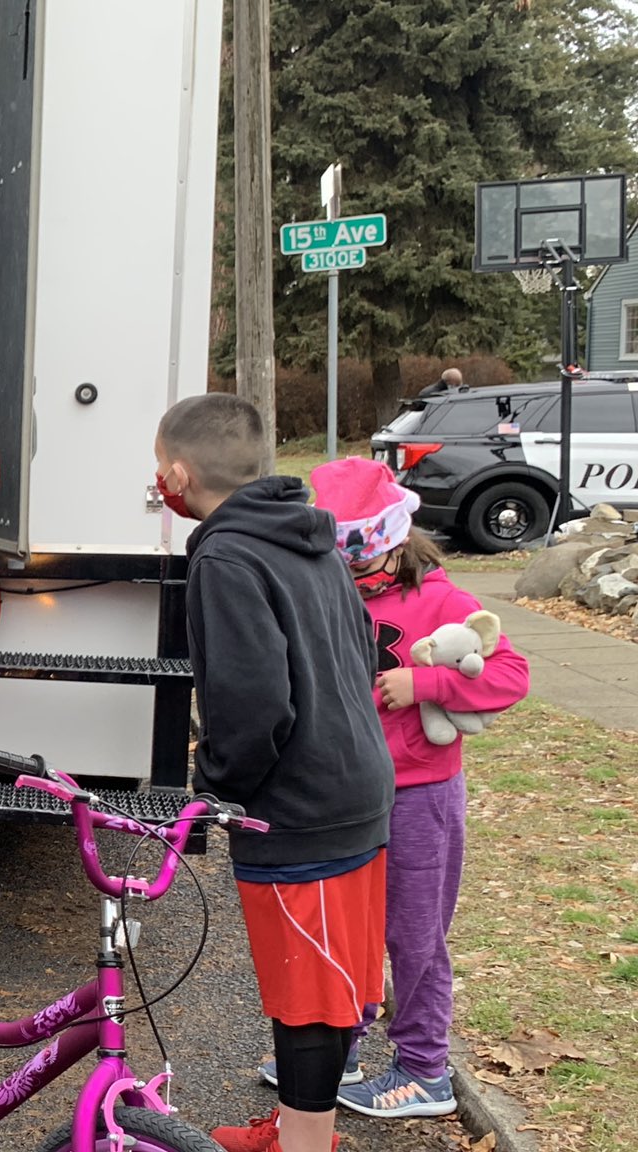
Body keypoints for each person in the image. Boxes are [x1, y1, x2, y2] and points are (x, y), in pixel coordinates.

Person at [152, 394, 395, 1152]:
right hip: (356, 787)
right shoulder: (311, 537)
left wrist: (214, 785)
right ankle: (296, 1127)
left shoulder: (225, 557)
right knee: (333, 979)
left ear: (181, 475)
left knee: (307, 999)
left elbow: (253, 703)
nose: (160, 482)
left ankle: (307, 1144)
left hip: (300, 806)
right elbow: (359, 650)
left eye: (160, 470)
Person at [281, 458, 529, 1120]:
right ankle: (344, 1047)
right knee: (352, 929)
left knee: (415, 935)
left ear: (396, 544)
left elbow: (510, 675)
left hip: (420, 796)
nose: (354, 577)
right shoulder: (336, 593)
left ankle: (424, 1068)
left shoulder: (445, 602)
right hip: (350, 793)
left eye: (363, 565)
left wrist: (428, 685)